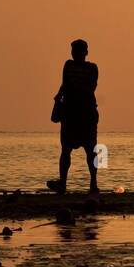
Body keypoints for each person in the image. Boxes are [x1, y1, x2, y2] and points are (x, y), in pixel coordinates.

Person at [48, 39, 99, 194]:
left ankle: (93, 183)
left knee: (91, 151)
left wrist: (69, 96)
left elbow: (91, 87)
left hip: (84, 114)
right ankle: (63, 183)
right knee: (67, 150)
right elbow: (64, 85)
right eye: (73, 50)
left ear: (85, 52)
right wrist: (58, 98)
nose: (74, 53)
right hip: (72, 114)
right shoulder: (68, 65)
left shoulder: (92, 68)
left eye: (77, 50)